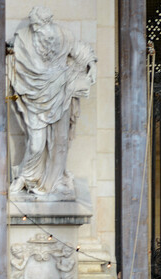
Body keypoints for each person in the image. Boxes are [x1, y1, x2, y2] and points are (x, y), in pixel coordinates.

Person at [6, 7, 96, 198]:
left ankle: (55, 180)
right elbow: (12, 48)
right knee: (36, 144)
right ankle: (25, 176)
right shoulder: (24, 37)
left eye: (38, 25)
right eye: (33, 26)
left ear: (48, 23)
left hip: (60, 94)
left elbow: (80, 50)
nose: (35, 29)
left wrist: (92, 64)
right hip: (35, 96)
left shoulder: (64, 36)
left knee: (60, 142)